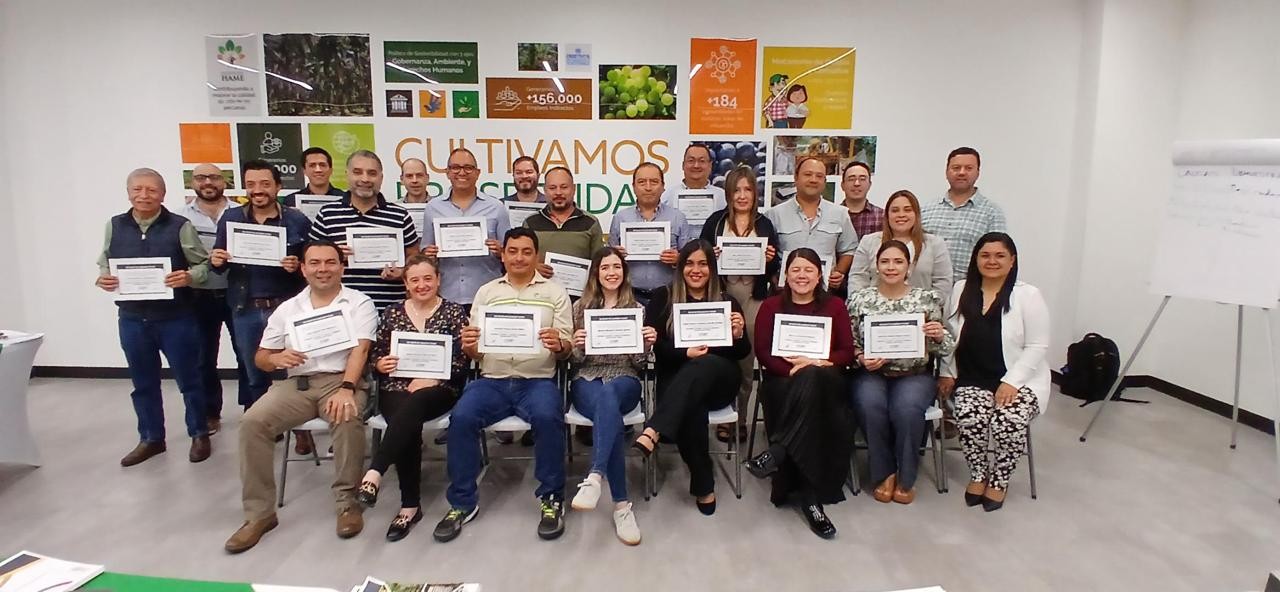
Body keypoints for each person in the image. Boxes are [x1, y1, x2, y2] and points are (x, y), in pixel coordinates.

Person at [223, 240, 378, 553]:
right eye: (315, 263)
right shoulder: (288, 308)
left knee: (346, 415)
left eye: (330, 262)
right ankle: (259, 514)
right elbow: (261, 357)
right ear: (303, 269)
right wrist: (276, 359)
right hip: (298, 384)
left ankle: (347, 503)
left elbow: (361, 350)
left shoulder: (359, 303)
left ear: (342, 267)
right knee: (252, 422)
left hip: (341, 380)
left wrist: (347, 388)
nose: (323, 269)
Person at [434, 228, 573, 543]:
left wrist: (559, 344)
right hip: (492, 381)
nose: (519, 257)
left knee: (549, 418)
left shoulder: (555, 292)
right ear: (503, 254)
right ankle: (462, 503)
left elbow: (567, 348)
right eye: (513, 251)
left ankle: (551, 498)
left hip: (537, 380)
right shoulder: (486, 292)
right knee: (462, 418)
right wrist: (469, 346)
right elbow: (475, 353)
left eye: (526, 251)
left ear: (536, 256)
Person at [96, 168, 212, 467]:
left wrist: (188, 277)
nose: (144, 195)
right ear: (128, 193)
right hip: (133, 318)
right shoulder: (115, 225)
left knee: (190, 380)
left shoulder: (180, 226)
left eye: (151, 190)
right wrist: (104, 277)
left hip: (176, 317)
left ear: (163, 194)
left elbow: (203, 265)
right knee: (143, 383)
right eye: (138, 189)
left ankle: (199, 433)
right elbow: (104, 261)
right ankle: (151, 438)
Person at [631, 240, 749, 515]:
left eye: (703, 264)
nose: (696, 270)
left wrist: (738, 334)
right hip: (676, 378)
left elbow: (743, 352)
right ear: (680, 267)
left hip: (720, 379)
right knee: (691, 405)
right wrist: (685, 353)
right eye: (690, 263)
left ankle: (655, 429)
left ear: (712, 268)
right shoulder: (663, 297)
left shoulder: (727, 301)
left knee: (705, 364)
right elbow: (657, 348)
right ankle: (703, 483)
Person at [743, 248, 855, 539]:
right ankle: (811, 500)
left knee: (814, 378)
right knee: (808, 394)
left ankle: (777, 453)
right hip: (783, 379)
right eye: (795, 269)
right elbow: (764, 352)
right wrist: (795, 371)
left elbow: (846, 352)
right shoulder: (771, 306)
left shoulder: (835, 306)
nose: (802, 275)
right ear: (786, 275)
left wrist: (817, 363)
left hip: (827, 380)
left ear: (819, 275)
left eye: (808, 270)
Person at [357, 254, 468, 541]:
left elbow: (462, 361)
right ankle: (409, 506)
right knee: (405, 416)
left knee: (414, 405)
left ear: (439, 280)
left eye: (428, 278)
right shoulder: (392, 313)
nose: (422, 285)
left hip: (440, 388)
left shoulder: (454, 312)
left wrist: (435, 379)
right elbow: (376, 354)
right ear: (405, 283)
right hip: (396, 386)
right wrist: (379, 364)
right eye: (414, 280)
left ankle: (377, 474)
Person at [938, 233, 1049, 512]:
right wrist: (947, 371)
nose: (992, 261)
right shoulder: (962, 289)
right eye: (985, 255)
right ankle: (978, 474)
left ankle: (1000, 479)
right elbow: (950, 336)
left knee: (1007, 421)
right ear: (975, 259)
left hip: (1019, 381)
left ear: (1012, 261)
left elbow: (1037, 345)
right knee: (969, 417)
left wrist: (1011, 383)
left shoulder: (1027, 295)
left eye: (1000, 256)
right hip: (972, 377)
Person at [847, 240, 954, 505]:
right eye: (885, 261)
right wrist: (860, 357)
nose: (891, 267)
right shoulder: (860, 300)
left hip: (914, 374)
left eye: (898, 262)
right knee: (870, 405)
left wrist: (939, 335)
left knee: (906, 409)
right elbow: (849, 342)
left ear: (909, 267)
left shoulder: (926, 299)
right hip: (872, 374)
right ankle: (885, 472)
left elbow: (946, 347)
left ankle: (906, 477)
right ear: (876, 266)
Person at [567, 246, 657, 546]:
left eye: (616, 267)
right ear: (596, 273)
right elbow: (574, 363)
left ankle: (595, 477)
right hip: (587, 380)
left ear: (624, 272)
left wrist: (646, 346)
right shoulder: (580, 308)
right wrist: (577, 346)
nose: (611, 272)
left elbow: (640, 365)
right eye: (605, 267)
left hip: (625, 379)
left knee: (610, 395)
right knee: (611, 417)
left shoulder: (637, 309)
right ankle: (621, 507)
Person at [209, 161, 311, 410]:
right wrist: (216, 261)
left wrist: (297, 266)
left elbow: (312, 263)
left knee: (294, 370)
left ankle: (295, 424)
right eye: (251, 184)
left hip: (286, 307)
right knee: (254, 372)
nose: (257, 190)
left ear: (278, 186)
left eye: (265, 184)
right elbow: (219, 263)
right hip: (246, 308)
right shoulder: (231, 218)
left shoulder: (296, 220)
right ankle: (261, 421)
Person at [699, 166, 780, 443]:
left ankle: (739, 419)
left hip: (754, 297)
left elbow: (775, 268)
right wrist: (711, 256)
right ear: (728, 194)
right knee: (721, 358)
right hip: (721, 296)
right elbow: (699, 262)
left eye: (748, 190)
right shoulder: (715, 222)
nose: (742, 195)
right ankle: (720, 412)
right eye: (737, 190)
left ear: (755, 193)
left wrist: (770, 259)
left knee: (746, 362)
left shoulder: (764, 224)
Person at [309, 150, 421, 311]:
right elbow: (310, 260)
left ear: (381, 178)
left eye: (372, 173)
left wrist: (402, 272)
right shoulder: (327, 214)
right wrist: (333, 255)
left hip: (391, 309)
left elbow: (415, 258)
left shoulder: (400, 215)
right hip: (342, 310)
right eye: (357, 172)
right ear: (347, 175)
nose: (365, 179)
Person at [182, 163, 243, 435]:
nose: (208, 182)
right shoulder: (181, 217)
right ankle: (210, 412)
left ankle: (253, 410)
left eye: (214, 177)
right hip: (199, 295)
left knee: (247, 355)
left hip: (238, 292)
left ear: (224, 181)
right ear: (192, 182)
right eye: (201, 178)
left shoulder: (240, 213)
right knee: (203, 358)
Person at [420, 148, 512, 310]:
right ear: (447, 172)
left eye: (468, 168)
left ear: (477, 173)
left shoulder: (497, 207)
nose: (462, 172)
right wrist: (428, 254)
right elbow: (424, 254)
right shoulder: (432, 208)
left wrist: (501, 251)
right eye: (455, 167)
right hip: (446, 294)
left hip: (488, 295)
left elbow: (510, 253)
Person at [765, 157, 858, 296]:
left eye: (819, 176)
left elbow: (849, 249)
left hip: (825, 293)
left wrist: (839, 271)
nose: (813, 180)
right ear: (796, 178)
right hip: (785, 294)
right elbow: (767, 254)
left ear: (825, 181)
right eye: (808, 174)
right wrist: (773, 276)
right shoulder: (774, 214)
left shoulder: (840, 214)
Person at [608, 162, 696, 305]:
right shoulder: (620, 218)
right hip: (629, 295)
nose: (648, 187)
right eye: (642, 182)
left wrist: (679, 259)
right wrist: (616, 255)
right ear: (634, 187)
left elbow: (690, 259)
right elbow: (609, 260)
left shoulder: (678, 217)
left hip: (669, 296)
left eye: (654, 182)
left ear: (663, 186)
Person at [920, 147, 1008, 281]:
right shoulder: (926, 210)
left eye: (968, 168)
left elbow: (998, 256)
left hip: (969, 289)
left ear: (978, 173)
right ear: (946, 172)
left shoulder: (992, 213)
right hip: (927, 288)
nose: (961, 172)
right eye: (956, 168)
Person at [849, 189, 953, 300]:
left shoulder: (935, 244)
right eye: (895, 210)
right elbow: (857, 278)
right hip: (874, 309)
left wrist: (929, 306)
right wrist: (862, 303)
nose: (901, 215)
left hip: (923, 309)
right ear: (887, 215)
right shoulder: (868, 242)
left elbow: (943, 283)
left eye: (908, 210)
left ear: (916, 214)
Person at [526, 166, 604, 273]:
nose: (558, 192)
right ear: (545, 190)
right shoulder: (530, 223)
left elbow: (599, 265)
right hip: (539, 284)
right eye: (552, 188)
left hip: (580, 284)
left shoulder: (591, 223)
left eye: (564, 187)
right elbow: (521, 260)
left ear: (574, 189)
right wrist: (532, 268)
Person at [660, 144, 727, 235]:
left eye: (702, 161)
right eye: (691, 161)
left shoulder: (723, 197)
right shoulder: (668, 196)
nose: (696, 165)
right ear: (683, 165)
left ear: (710, 165)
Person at [840, 161, 884, 240]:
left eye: (862, 179)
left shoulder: (882, 216)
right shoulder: (833, 216)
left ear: (869, 185)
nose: (857, 183)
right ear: (842, 185)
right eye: (851, 179)